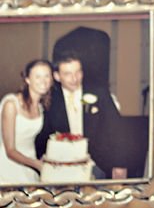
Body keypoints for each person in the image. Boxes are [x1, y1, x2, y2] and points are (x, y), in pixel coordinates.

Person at [36, 48, 124, 179]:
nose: (74, 78)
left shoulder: (100, 93)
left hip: (98, 164)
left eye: (78, 72)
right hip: (63, 168)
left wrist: (120, 164)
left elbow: (116, 129)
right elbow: (43, 135)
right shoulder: (50, 100)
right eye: (67, 74)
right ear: (57, 76)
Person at [0, 60, 52, 184]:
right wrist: (36, 165)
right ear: (28, 79)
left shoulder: (41, 107)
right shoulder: (11, 104)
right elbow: (10, 150)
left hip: (30, 162)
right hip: (8, 165)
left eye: (47, 76)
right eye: (38, 76)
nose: (43, 81)